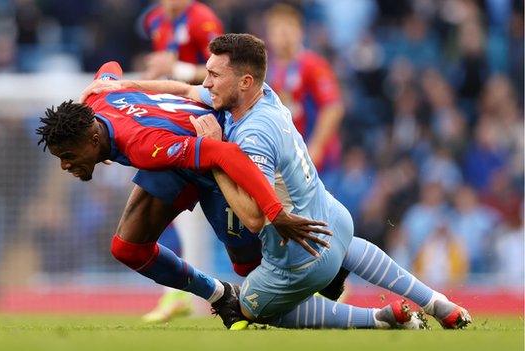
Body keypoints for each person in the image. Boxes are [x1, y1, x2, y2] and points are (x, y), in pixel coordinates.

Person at [81, 34, 472, 330]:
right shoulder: (263, 97)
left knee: (247, 308)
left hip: (300, 255)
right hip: (334, 221)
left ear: (245, 81)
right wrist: (126, 88)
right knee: (349, 247)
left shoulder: (252, 137)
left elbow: (252, 217)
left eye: (215, 75)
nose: (209, 82)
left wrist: (213, 152)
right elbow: (184, 89)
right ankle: (441, 305)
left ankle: (379, 319)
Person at [37, 61, 332, 326]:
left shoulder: (143, 144)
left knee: (249, 266)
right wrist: (86, 96)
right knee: (127, 248)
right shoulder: (97, 99)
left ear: (93, 138)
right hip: (178, 156)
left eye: (68, 154)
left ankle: (331, 270)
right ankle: (220, 296)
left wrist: (275, 212)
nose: (65, 164)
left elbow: (223, 153)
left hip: (214, 148)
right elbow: (109, 67)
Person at [138, 0, 225, 321]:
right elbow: (166, 66)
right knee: (178, 208)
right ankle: (178, 294)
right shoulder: (157, 20)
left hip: (206, 119)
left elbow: (224, 68)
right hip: (176, 121)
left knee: (206, 206)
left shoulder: (202, 19)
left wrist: (179, 70)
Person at [264, 4, 344, 172]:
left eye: (289, 28)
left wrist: (316, 147)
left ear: (300, 32)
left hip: (317, 162)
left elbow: (333, 107)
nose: (284, 35)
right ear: (269, 36)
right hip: (285, 160)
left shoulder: (313, 65)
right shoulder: (266, 69)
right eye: (278, 30)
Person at [139, 0, 223, 83]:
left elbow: (221, 70)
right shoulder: (153, 18)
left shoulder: (203, 20)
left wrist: (177, 70)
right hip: (171, 85)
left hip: (200, 88)